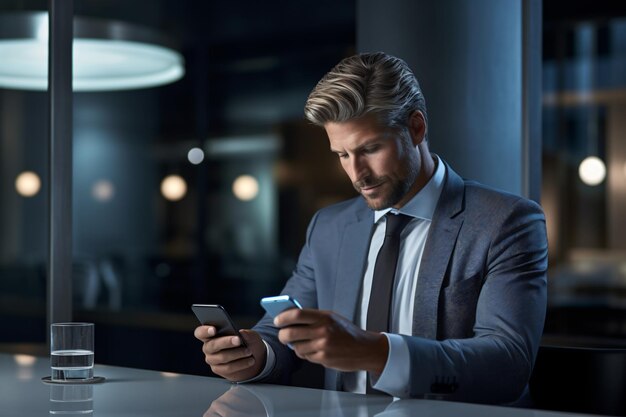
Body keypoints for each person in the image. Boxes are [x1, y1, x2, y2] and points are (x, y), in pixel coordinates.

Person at [194, 52, 547, 405]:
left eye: (370, 149)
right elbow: (282, 329)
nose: (356, 174)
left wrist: (376, 353)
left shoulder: (506, 222)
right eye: (342, 155)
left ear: (416, 127)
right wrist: (257, 355)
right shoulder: (329, 227)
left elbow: (508, 364)